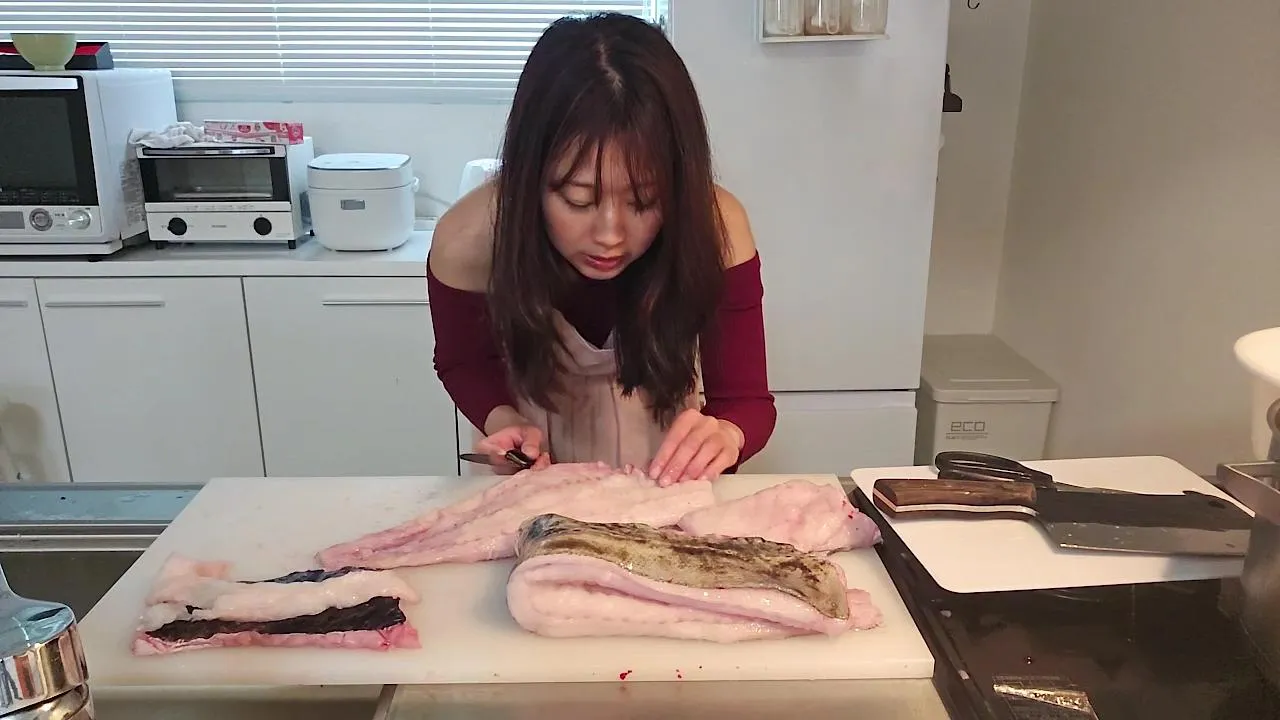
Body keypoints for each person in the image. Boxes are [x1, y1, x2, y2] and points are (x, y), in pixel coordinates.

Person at [426, 12, 775, 485]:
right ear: (531, 176)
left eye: (644, 200)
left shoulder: (716, 226)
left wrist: (728, 433)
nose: (610, 234)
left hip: (664, 481)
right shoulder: (470, 237)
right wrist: (503, 419)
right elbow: (464, 362)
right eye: (578, 199)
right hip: (533, 482)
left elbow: (746, 400)